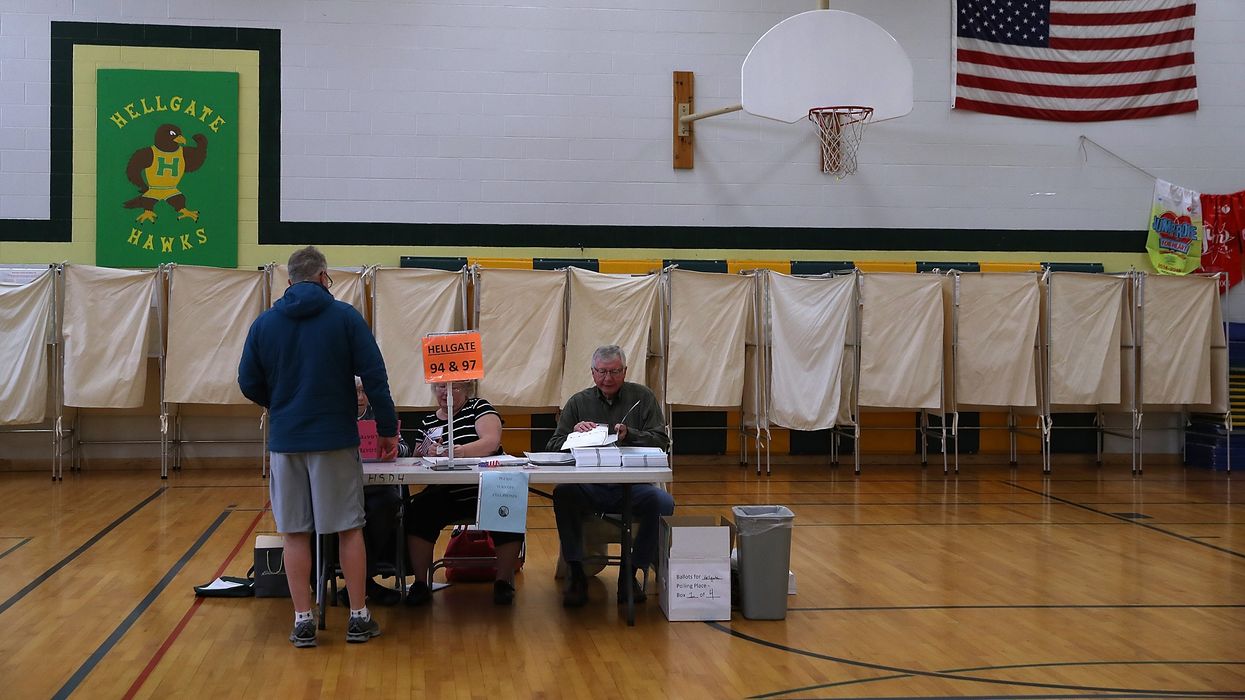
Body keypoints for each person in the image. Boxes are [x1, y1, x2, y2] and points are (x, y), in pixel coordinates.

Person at [238, 246, 397, 648]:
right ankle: (358, 617)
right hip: (335, 439)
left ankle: (303, 620)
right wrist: (387, 428)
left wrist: (279, 403)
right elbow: (375, 376)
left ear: (288, 281)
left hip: (287, 440)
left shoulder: (265, 323)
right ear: (325, 277)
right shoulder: (345, 318)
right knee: (348, 529)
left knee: (294, 533)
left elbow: (246, 381)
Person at [548, 344, 674, 608]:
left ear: (625, 371)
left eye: (615, 371)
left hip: (631, 486)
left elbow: (662, 441)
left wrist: (632, 434)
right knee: (563, 493)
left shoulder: (642, 397)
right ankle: (576, 571)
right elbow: (553, 445)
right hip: (589, 487)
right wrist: (574, 435)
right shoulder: (578, 402)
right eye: (602, 372)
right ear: (593, 373)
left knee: (662, 502)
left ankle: (631, 571)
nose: (608, 378)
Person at [403, 381, 522, 606]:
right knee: (419, 509)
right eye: (440, 387)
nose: (446, 392)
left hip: (485, 486)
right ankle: (420, 583)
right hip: (445, 490)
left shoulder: (479, 407)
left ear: (467, 390)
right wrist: (421, 452)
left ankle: (503, 581)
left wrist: (459, 452)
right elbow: (417, 459)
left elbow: (491, 442)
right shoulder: (428, 421)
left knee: (506, 505)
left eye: (454, 388)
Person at [346, 376, 408, 607]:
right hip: (343, 487)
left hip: (377, 486)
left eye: (364, 391)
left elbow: (404, 447)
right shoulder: (335, 419)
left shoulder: (381, 417)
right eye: (355, 392)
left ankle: (362, 580)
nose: (360, 398)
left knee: (389, 503)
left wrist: (394, 450)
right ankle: (365, 583)